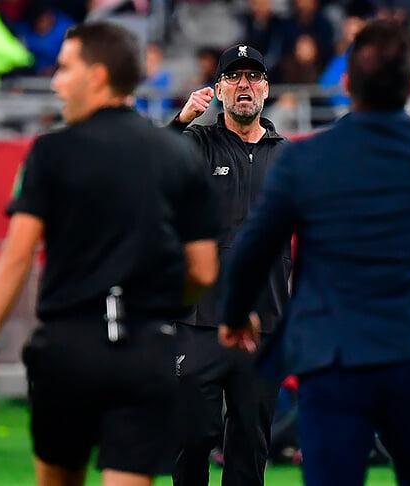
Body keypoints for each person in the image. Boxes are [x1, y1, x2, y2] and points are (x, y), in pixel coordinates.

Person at [219, 20, 410, 486]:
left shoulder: (305, 159)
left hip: (333, 360)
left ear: (346, 84)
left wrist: (233, 315)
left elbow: (255, 246)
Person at [0, 22, 220, 486]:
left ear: (97, 76)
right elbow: (202, 269)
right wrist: (156, 308)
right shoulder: (178, 154)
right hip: (147, 348)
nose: (56, 82)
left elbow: (16, 258)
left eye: (64, 68)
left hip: (68, 347)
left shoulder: (51, 151)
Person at [168, 44, 290, 486]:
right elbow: (149, 168)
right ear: (218, 90)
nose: (244, 85)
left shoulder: (288, 157)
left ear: (266, 89)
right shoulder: (196, 143)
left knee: (249, 447)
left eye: (253, 77)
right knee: (190, 438)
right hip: (198, 320)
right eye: (234, 77)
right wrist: (180, 121)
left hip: (264, 323)